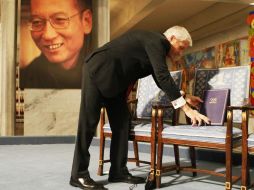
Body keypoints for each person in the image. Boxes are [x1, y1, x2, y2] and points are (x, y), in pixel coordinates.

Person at [70, 26, 211, 190]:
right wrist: (186, 109)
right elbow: (163, 76)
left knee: (122, 125)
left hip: (116, 83)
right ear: (171, 39)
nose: (180, 54)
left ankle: (118, 171)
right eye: (180, 48)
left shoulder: (154, 47)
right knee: (88, 124)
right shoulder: (156, 41)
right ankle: (78, 175)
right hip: (97, 70)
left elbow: (159, 79)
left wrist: (185, 96)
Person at [20, 0, 92, 89]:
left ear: (86, 21)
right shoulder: (23, 81)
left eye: (59, 20)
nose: (48, 35)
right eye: (37, 22)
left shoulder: (106, 73)